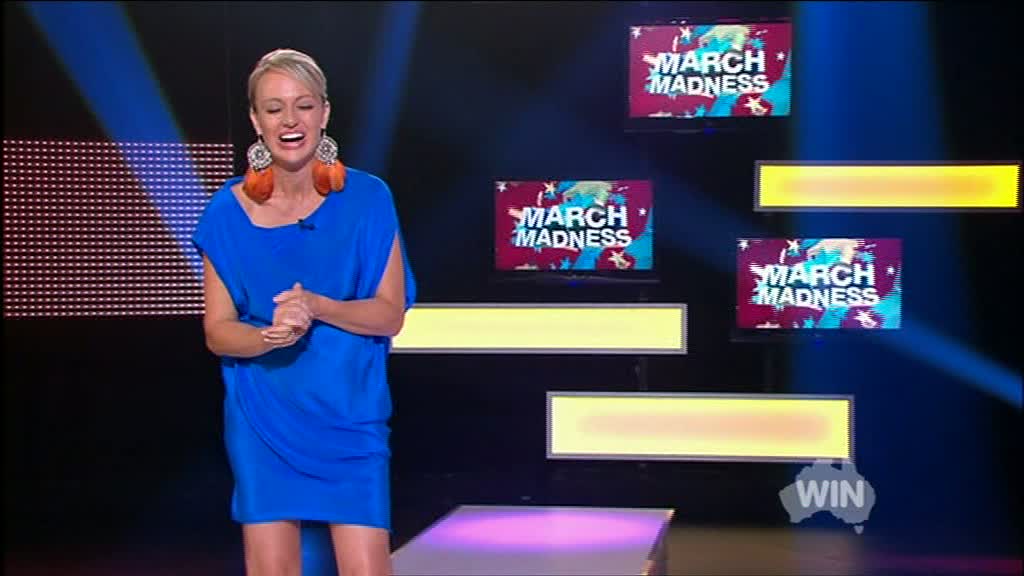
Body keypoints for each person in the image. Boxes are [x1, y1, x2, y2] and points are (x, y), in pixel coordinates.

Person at [192, 48, 415, 576]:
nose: (290, 121)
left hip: (350, 412)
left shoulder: (368, 199)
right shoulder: (226, 212)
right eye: (274, 109)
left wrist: (317, 305)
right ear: (256, 120)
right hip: (263, 415)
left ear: (324, 113)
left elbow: (389, 315)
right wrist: (269, 337)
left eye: (304, 105)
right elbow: (218, 332)